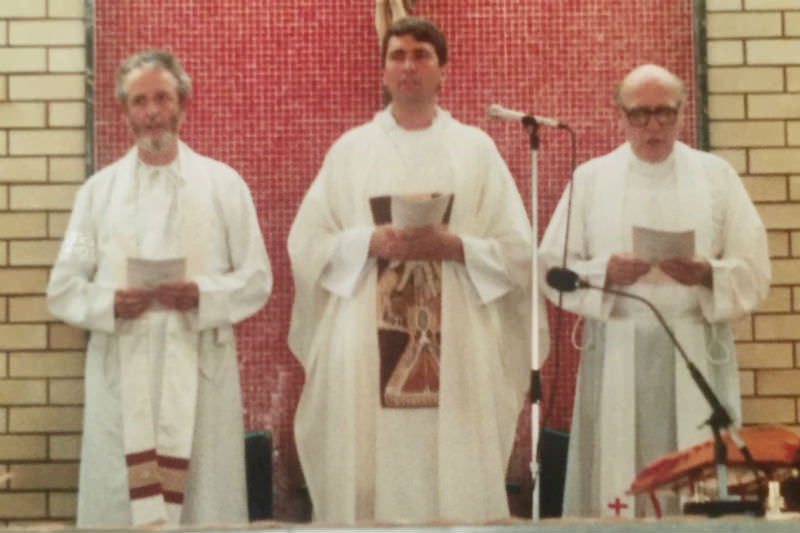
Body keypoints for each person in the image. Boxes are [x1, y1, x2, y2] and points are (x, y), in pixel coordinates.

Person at [288, 16, 545, 523]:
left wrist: (457, 247)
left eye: (421, 56)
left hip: (460, 342)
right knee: (369, 464)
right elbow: (306, 244)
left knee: (454, 469)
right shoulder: (351, 150)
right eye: (398, 56)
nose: (409, 66)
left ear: (442, 71)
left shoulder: (476, 149)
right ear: (384, 70)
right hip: (366, 337)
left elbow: (518, 250)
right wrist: (369, 241)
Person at [46, 50, 272, 528]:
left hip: (198, 366)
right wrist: (108, 303)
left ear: (182, 104)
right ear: (124, 111)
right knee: (120, 504)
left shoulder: (224, 186)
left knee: (202, 501)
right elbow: (64, 286)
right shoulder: (95, 195)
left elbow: (257, 278)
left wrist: (202, 296)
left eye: (161, 98)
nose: (151, 111)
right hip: (124, 372)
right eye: (139, 101)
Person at [539, 64, 770, 518]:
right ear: (619, 116)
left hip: (695, 350)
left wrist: (708, 272)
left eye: (664, 113)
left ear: (682, 112)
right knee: (620, 477)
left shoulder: (715, 176)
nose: (652, 127)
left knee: (696, 478)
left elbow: (755, 269)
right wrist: (605, 272)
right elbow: (551, 269)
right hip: (618, 352)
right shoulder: (591, 179)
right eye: (639, 115)